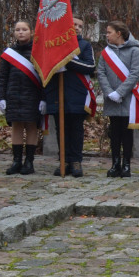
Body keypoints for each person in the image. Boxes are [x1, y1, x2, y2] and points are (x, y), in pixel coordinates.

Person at [44, 19, 96, 177]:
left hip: (77, 93)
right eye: (74, 25)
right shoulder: (54, 45)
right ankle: (64, 160)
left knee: (76, 129)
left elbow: (90, 66)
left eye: (80, 26)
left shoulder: (85, 46)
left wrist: (69, 61)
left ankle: (76, 161)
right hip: (56, 93)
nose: (77, 28)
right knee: (61, 129)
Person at [96, 21, 139, 178]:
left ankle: (126, 165)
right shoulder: (105, 52)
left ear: (119, 33)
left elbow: (135, 73)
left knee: (126, 132)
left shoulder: (135, 51)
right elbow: (101, 73)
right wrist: (109, 92)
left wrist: (120, 92)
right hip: (111, 98)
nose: (107, 35)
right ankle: (115, 163)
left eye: (109, 32)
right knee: (114, 132)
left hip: (128, 97)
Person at [0, 20, 44, 175]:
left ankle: (29, 162)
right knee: (16, 126)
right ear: (14, 33)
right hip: (14, 95)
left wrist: (44, 98)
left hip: (33, 96)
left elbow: (44, 78)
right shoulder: (9, 53)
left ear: (31, 32)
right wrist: (1, 98)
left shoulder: (38, 52)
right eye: (18, 29)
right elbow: (3, 78)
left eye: (24, 29)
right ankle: (16, 161)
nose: (21, 32)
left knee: (31, 126)